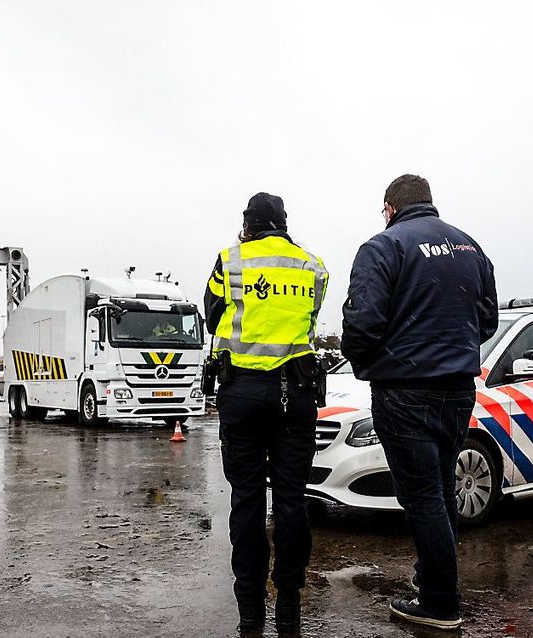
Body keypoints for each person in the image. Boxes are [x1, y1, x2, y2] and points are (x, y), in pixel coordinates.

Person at [340, 175, 497, 630]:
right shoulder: (469, 247)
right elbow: (487, 318)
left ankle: (440, 603)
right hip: (458, 389)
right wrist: (452, 346)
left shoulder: (384, 248)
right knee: (441, 486)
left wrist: (371, 360)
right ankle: (435, 578)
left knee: (422, 496)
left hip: (404, 391)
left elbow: (363, 323)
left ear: (390, 208)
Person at [204, 192, 328, 638]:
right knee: (292, 502)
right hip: (295, 394)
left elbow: (213, 315)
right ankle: (289, 611)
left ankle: (251, 615)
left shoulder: (229, 261)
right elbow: (311, 315)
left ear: (249, 224)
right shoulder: (312, 266)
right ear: (283, 222)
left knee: (248, 504)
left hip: (242, 394)